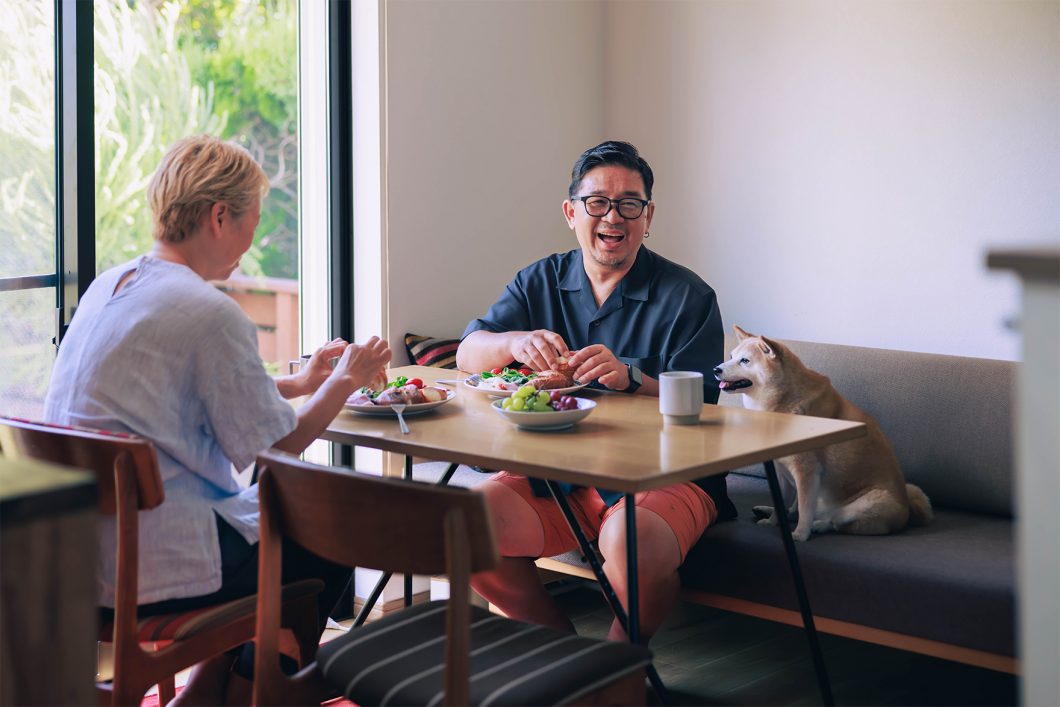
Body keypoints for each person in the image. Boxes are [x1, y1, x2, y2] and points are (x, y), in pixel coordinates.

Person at [44, 135, 391, 705]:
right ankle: (260, 691)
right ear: (220, 215)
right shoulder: (208, 311)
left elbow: (175, 395)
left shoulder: (112, 285)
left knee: (264, 521)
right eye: (253, 222)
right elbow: (279, 444)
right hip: (152, 567)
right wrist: (344, 380)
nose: (251, 245)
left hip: (79, 553)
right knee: (326, 533)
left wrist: (300, 383)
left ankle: (205, 692)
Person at [457, 140, 736, 643]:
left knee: (632, 543)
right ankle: (564, 661)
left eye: (630, 203)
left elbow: (703, 405)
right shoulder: (538, 279)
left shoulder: (688, 296)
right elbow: (467, 352)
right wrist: (515, 341)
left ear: (648, 216)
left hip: (665, 476)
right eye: (597, 202)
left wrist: (634, 379)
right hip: (556, 474)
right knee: (464, 527)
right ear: (571, 212)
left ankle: (615, 672)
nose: (614, 216)